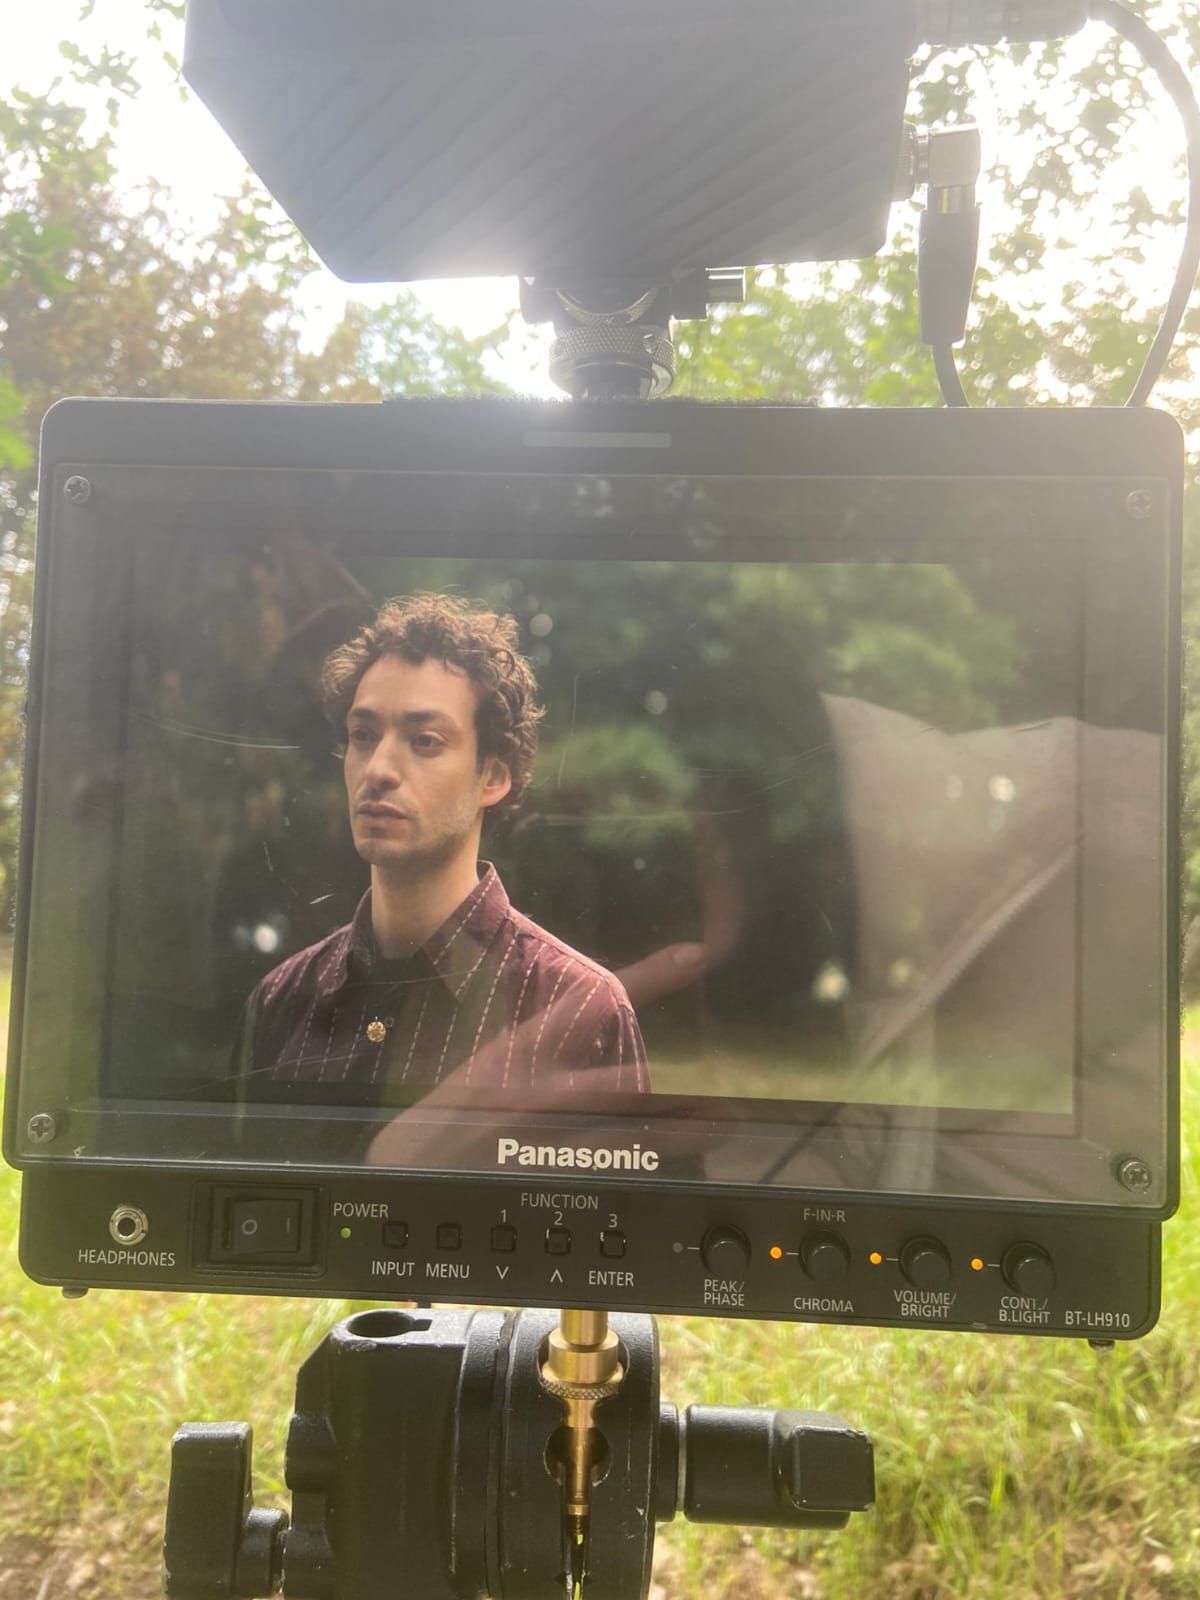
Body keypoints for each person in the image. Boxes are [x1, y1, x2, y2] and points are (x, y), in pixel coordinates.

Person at [239, 593, 649, 1096]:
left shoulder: (582, 1011)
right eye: (363, 735)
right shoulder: (280, 1000)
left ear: (492, 777)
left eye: (425, 741)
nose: (378, 769)